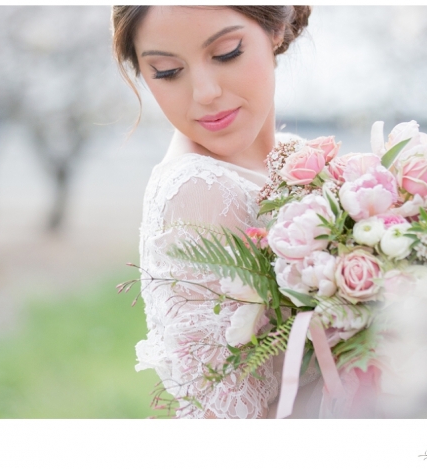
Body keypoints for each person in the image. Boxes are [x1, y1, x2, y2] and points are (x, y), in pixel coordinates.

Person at [111, 6, 321, 418]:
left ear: (276, 28)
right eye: (168, 71)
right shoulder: (199, 193)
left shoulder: (301, 159)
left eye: (226, 53)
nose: (204, 92)